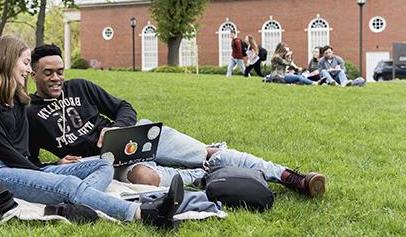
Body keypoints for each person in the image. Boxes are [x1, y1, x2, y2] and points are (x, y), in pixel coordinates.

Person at [27, 43, 327, 197]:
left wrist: (115, 127)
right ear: (34, 74)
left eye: (60, 71)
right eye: (48, 73)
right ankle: (206, 177)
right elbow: (27, 161)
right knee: (147, 178)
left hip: (134, 136)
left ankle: (289, 177)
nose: (56, 78)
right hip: (103, 163)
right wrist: (57, 164)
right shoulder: (30, 113)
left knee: (206, 152)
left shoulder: (81, 86)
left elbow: (124, 108)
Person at [0, 35, 184, 226]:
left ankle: (75, 204)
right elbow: (2, 149)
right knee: (68, 184)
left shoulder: (17, 98)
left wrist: (52, 166)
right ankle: (144, 213)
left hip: (20, 166)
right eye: (24, 62)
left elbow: (22, 150)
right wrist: (42, 172)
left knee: (102, 165)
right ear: (7, 61)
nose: (29, 69)